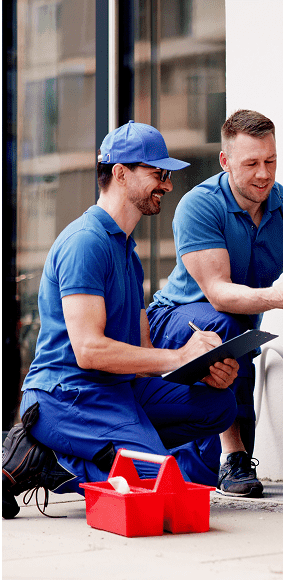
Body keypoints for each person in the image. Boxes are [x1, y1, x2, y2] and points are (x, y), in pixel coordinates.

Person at [2, 121, 240, 519]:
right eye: (157, 173)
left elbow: (144, 352)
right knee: (159, 497)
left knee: (218, 406)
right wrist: (179, 356)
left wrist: (199, 370)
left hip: (118, 391)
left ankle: (60, 452)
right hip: (69, 395)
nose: (166, 184)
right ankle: (57, 460)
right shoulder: (85, 242)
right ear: (120, 173)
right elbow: (89, 350)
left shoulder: (128, 253)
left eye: (167, 175)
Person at [146, 109, 283, 497]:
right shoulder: (199, 206)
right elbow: (219, 293)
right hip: (174, 321)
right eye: (252, 163)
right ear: (225, 161)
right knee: (224, 323)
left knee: (204, 478)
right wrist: (276, 297)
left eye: (270, 161)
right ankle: (233, 453)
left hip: (236, 337)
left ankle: (224, 459)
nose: (263, 173)